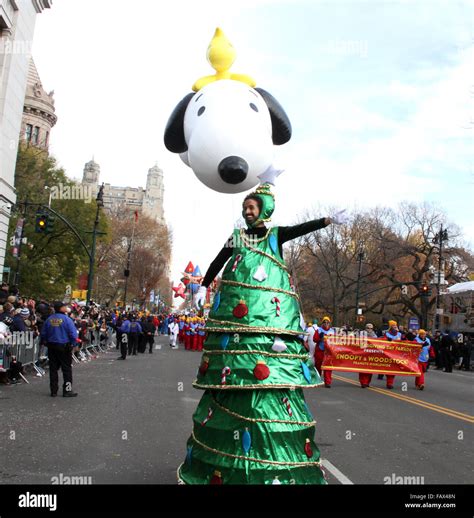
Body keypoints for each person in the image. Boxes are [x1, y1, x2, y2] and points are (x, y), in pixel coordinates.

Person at [179, 182, 348, 484]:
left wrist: (326, 221)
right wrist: (203, 284)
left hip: (269, 318)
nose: (247, 212)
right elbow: (219, 260)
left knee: (270, 366)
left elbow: (300, 228)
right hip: (237, 317)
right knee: (236, 368)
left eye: (252, 207)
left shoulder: (275, 235)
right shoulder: (236, 238)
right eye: (245, 208)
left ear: (264, 210)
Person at [40, 301, 79, 397]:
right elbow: (73, 334)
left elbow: (43, 333)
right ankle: (67, 390)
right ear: (61, 308)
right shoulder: (67, 319)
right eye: (64, 306)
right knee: (67, 370)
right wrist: (74, 343)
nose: (66, 307)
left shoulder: (49, 319)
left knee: (53, 369)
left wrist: (45, 341)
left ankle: (53, 390)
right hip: (64, 347)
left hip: (52, 346)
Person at [313, 316, 335, 388]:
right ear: (322, 323)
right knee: (318, 366)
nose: (326, 323)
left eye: (327, 322)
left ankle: (328, 382)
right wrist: (319, 337)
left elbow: (336, 341)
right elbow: (314, 339)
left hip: (329, 352)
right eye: (324, 322)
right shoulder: (318, 330)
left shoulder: (332, 331)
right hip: (320, 350)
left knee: (328, 367)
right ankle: (317, 380)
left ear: (329, 323)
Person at [380, 320, 402, 389]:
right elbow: (382, 342)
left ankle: (390, 383)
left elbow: (405, 342)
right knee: (387, 367)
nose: (395, 327)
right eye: (393, 326)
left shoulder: (400, 334)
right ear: (390, 327)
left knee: (393, 369)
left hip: (396, 354)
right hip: (387, 353)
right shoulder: (386, 334)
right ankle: (385, 378)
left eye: (395, 325)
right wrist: (387, 340)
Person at [359, 323, 378, 387]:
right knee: (363, 369)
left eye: (371, 328)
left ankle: (367, 382)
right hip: (362, 354)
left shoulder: (375, 336)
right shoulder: (361, 334)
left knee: (370, 370)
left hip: (371, 355)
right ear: (365, 328)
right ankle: (363, 382)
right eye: (368, 328)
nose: (369, 329)